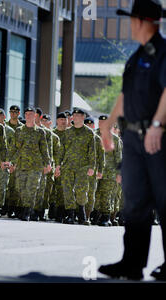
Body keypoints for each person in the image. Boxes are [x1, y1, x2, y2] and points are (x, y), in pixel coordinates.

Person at [99, 0, 166, 281]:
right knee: (135, 202)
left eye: (131, 20)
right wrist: (108, 125)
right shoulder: (135, 56)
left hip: (158, 139)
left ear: (141, 21)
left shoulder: (163, 52)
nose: (130, 25)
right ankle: (132, 263)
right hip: (134, 140)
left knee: (165, 201)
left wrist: (157, 125)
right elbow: (125, 96)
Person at [8, 107, 50, 221]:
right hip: (21, 164)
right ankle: (27, 209)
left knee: (31, 188)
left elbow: (44, 149)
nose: (28, 116)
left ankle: (27, 211)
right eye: (26, 114)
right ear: (25, 115)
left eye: (31, 114)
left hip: (36, 165)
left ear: (35, 115)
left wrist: (48, 163)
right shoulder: (19, 130)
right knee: (21, 188)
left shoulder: (40, 132)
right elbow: (13, 148)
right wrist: (9, 161)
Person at [57, 107, 96, 225]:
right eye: (74, 116)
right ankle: (70, 214)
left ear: (83, 117)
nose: (76, 118)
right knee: (67, 190)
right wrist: (58, 165)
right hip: (68, 166)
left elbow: (92, 152)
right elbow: (61, 150)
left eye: (79, 116)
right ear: (72, 118)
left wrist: (92, 167)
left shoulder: (89, 133)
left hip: (83, 166)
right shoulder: (67, 132)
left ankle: (82, 213)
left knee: (81, 190)